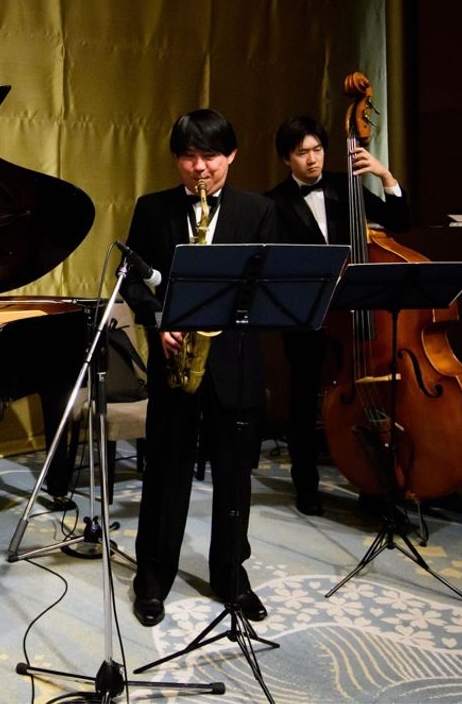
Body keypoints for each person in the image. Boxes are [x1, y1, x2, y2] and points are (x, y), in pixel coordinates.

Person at [121, 109, 277, 628]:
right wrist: (157, 318)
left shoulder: (258, 211)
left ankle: (231, 576)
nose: (199, 167)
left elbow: (269, 285)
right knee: (165, 471)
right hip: (174, 360)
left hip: (235, 360)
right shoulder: (152, 208)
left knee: (235, 475)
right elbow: (133, 280)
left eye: (210, 156)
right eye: (188, 157)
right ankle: (152, 578)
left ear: (231, 155)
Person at [265, 115, 409, 516]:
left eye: (317, 150)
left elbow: (401, 221)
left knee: (364, 394)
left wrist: (384, 175)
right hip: (306, 314)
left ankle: (372, 484)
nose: (312, 159)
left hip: (353, 314)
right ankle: (306, 484)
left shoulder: (347, 187)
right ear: (286, 159)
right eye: (302, 153)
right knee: (303, 398)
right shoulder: (273, 203)